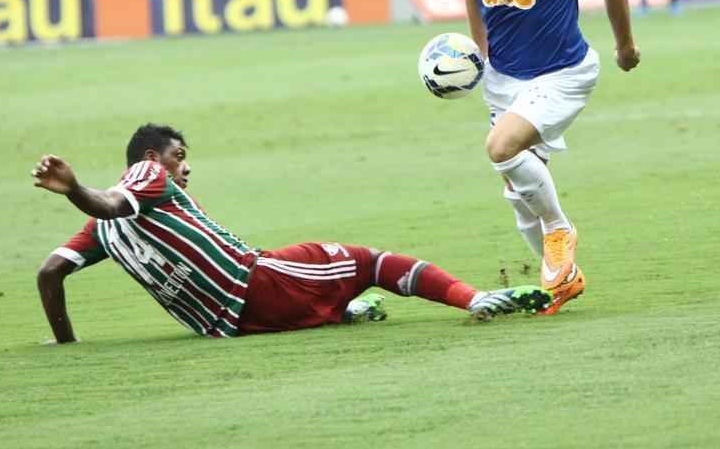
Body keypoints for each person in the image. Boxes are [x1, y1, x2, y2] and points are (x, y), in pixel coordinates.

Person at [32, 123, 551, 342]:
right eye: (179, 157)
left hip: (229, 327)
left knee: (326, 277)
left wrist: (66, 344)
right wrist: (76, 186)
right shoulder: (145, 176)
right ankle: (475, 298)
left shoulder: (100, 233)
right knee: (369, 262)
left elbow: (49, 274)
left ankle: (338, 309)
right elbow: (109, 199)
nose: (183, 169)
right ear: (152, 158)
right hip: (255, 283)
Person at [453, 0, 640, 315]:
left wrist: (624, 45)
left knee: (501, 148)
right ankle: (560, 280)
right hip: (503, 79)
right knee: (517, 192)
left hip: (562, 73)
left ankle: (560, 229)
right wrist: (478, 50)